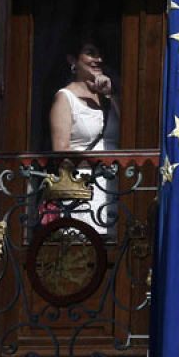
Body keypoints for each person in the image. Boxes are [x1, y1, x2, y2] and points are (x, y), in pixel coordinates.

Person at [46, 38, 120, 233]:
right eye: (90, 53)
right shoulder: (65, 97)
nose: (98, 59)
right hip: (84, 187)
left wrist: (110, 96)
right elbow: (61, 152)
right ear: (73, 60)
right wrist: (98, 162)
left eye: (100, 54)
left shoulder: (109, 96)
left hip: (116, 186)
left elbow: (132, 130)